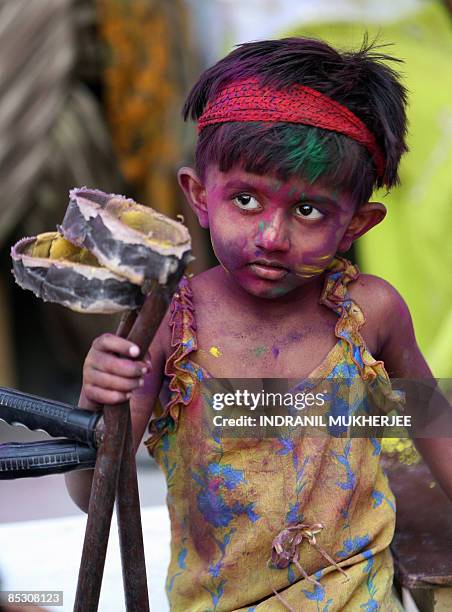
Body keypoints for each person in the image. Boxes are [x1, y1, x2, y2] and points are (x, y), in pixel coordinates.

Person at [65, 37, 452, 611]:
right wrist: (97, 398)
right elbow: (88, 493)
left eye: (308, 211)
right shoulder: (170, 328)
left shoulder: (371, 314)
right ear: (199, 196)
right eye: (246, 200)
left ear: (357, 225)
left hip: (358, 598)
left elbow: (433, 425)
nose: (272, 236)